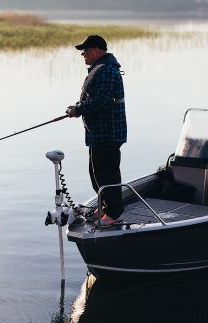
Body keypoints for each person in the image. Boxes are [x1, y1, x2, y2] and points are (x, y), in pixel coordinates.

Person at [66, 35, 127, 226]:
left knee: (107, 174)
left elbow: (101, 101)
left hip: (108, 134)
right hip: (98, 134)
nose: (83, 55)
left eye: (85, 51)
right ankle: (107, 209)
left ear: (96, 50)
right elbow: (93, 98)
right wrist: (77, 107)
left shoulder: (107, 70)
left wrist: (78, 110)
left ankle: (114, 214)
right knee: (96, 175)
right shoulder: (100, 69)